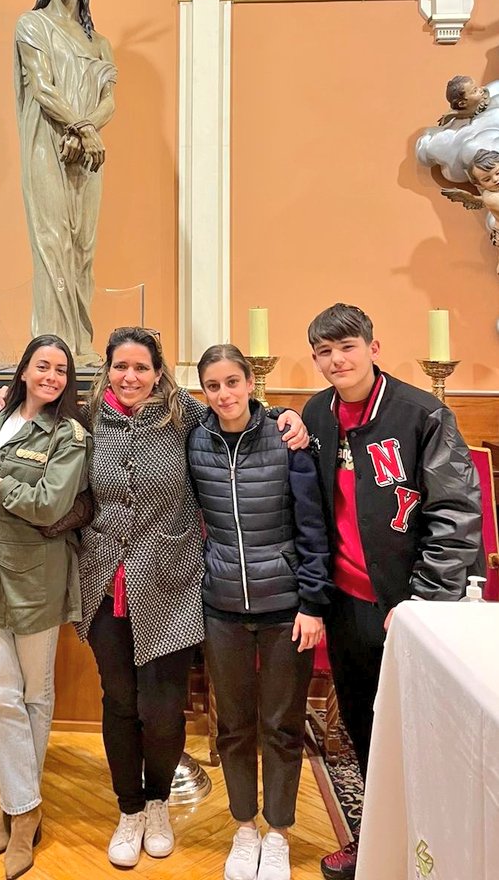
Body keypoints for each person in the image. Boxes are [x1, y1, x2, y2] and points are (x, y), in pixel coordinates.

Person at [74, 327, 308, 869]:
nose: (130, 376)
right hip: (104, 585)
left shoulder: (185, 416)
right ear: (107, 370)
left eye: (141, 367)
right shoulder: (87, 418)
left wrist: (284, 415)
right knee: (119, 702)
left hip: (169, 585)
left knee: (161, 709)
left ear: (158, 372)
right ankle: (130, 809)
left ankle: (158, 803)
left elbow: (238, 413)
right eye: (120, 366)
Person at [301, 304, 482, 880]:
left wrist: (421, 604)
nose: (337, 360)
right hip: (346, 601)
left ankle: (431, 848)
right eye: (325, 352)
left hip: (410, 606)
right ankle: (375, 839)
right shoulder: (317, 413)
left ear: (373, 349)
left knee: (421, 731)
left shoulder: (421, 413)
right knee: (363, 723)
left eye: (347, 347)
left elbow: (456, 514)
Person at [188, 345, 331, 880]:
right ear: (204, 391)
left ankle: (278, 833)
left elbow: (313, 527)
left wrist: (313, 603)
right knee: (233, 725)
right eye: (213, 385)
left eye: (233, 381)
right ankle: (244, 827)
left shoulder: (285, 437)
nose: (224, 394)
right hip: (222, 606)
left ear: (251, 382)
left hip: (285, 608)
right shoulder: (195, 439)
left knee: (281, 725)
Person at [0, 334, 90, 880]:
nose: (51, 376)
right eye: (42, 366)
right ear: (24, 370)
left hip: (36, 567)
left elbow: (50, 504)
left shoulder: (70, 435)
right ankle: (22, 805)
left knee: (34, 691)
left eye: (61, 369)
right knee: (1, 690)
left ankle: (18, 810)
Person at [15, 0, 117, 364]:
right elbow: (42, 87)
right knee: (52, 241)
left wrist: (86, 130)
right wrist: (82, 127)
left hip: (86, 152)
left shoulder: (100, 43)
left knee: (82, 247)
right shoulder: (32, 24)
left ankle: (81, 343)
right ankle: (53, 345)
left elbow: (109, 100)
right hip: (46, 145)